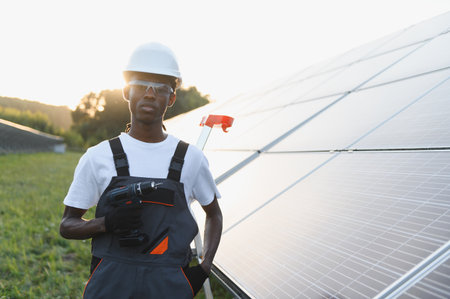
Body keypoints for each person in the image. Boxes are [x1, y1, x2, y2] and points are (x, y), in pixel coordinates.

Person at [59, 42, 223, 298]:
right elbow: (67, 225)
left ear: (171, 98)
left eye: (160, 88)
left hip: (170, 288)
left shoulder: (191, 158)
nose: (149, 94)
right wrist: (106, 223)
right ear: (126, 91)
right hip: (110, 288)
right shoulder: (98, 157)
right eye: (141, 86)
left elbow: (214, 214)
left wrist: (204, 267)